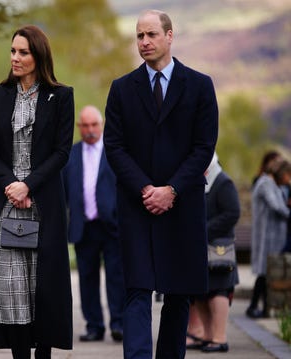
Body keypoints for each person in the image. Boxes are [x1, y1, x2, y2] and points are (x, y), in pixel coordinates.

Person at [103, 9, 219, 359]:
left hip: (182, 206)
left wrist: (171, 190)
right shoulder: (122, 89)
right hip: (136, 206)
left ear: (170, 36)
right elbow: (115, 146)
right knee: (137, 288)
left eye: (151, 34)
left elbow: (203, 147)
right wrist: (145, 189)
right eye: (139, 36)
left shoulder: (199, 86)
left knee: (179, 292)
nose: (144, 42)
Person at [0, 25, 74, 359]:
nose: (15, 58)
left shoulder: (61, 96)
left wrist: (29, 184)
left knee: (42, 289)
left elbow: (62, 151)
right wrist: (12, 185)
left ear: (39, 55)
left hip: (42, 203)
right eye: (12, 51)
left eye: (23, 52)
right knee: (12, 290)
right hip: (8, 205)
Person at [63, 105, 125, 342]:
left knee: (116, 277)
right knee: (87, 278)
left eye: (94, 125)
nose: (90, 130)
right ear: (79, 127)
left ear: (101, 125)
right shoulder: (70, 154)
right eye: (85, 125)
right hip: (83, 225)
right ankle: (94, 326)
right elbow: (63, 190)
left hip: (112, 226)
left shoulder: (115, 151)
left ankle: (118, 324)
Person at [187, 153, 240, 353]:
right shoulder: (202, 182)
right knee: (201, 293)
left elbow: (232, 213)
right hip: (200, 247)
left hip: (218, 248)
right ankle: (208, 336)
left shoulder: (223, 182)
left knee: (218, 292)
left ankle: (220, 337)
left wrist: (204, 230)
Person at [246, 159, 291, 319]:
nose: (288, 180)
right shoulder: (265, 183)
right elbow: (276, 205)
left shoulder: (272, 184)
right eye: (288, 175)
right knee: (264, 272)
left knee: (266, 273)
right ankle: (255, 307)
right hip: (267, 236)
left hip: (272, 236)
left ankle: (262, 308)